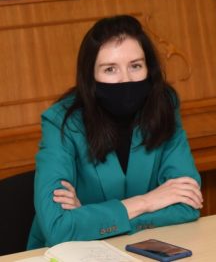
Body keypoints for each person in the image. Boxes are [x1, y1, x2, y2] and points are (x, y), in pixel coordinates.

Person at [27, 15, 203, 249]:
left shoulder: (164, 104)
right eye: (110, 69)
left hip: (142, 248)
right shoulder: (61, 121)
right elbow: (58, 228)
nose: (125, 79)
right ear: (90, 76)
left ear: (148, 68)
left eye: (135, 66)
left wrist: (89, 219)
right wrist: (147, 202)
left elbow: (188, 205)